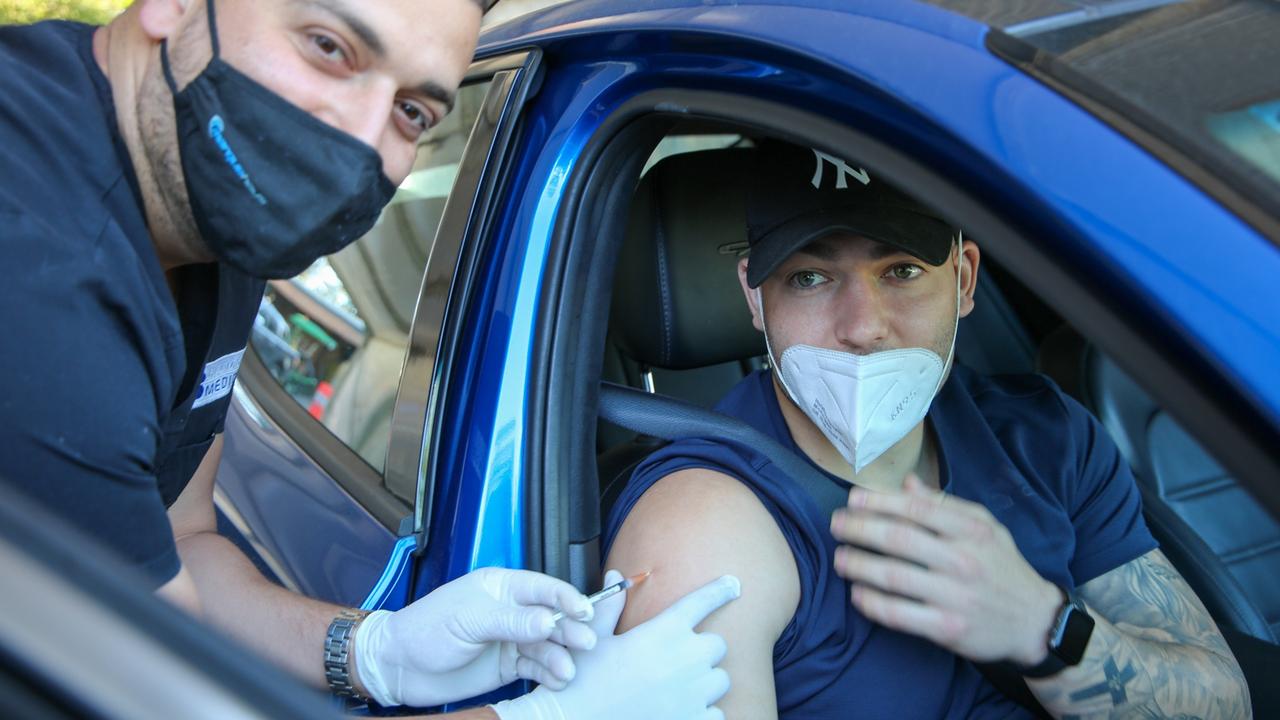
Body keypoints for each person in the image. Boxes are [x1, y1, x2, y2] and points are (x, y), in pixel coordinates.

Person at [0, 2, 738, 718]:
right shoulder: (39, 287)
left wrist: (371, 653)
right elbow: (167, 694)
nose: (358, 138)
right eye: (328, 46)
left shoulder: (213, 205)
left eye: (413, 112)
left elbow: (184, 537)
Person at [604, 139, 1250, 718]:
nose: (863, 327)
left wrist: (1043, 629)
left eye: (903, 271)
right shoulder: (707, 514)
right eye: (809, 277)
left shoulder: (1043, 433)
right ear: (753, 297)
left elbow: (1223, 702)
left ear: (964, 280)